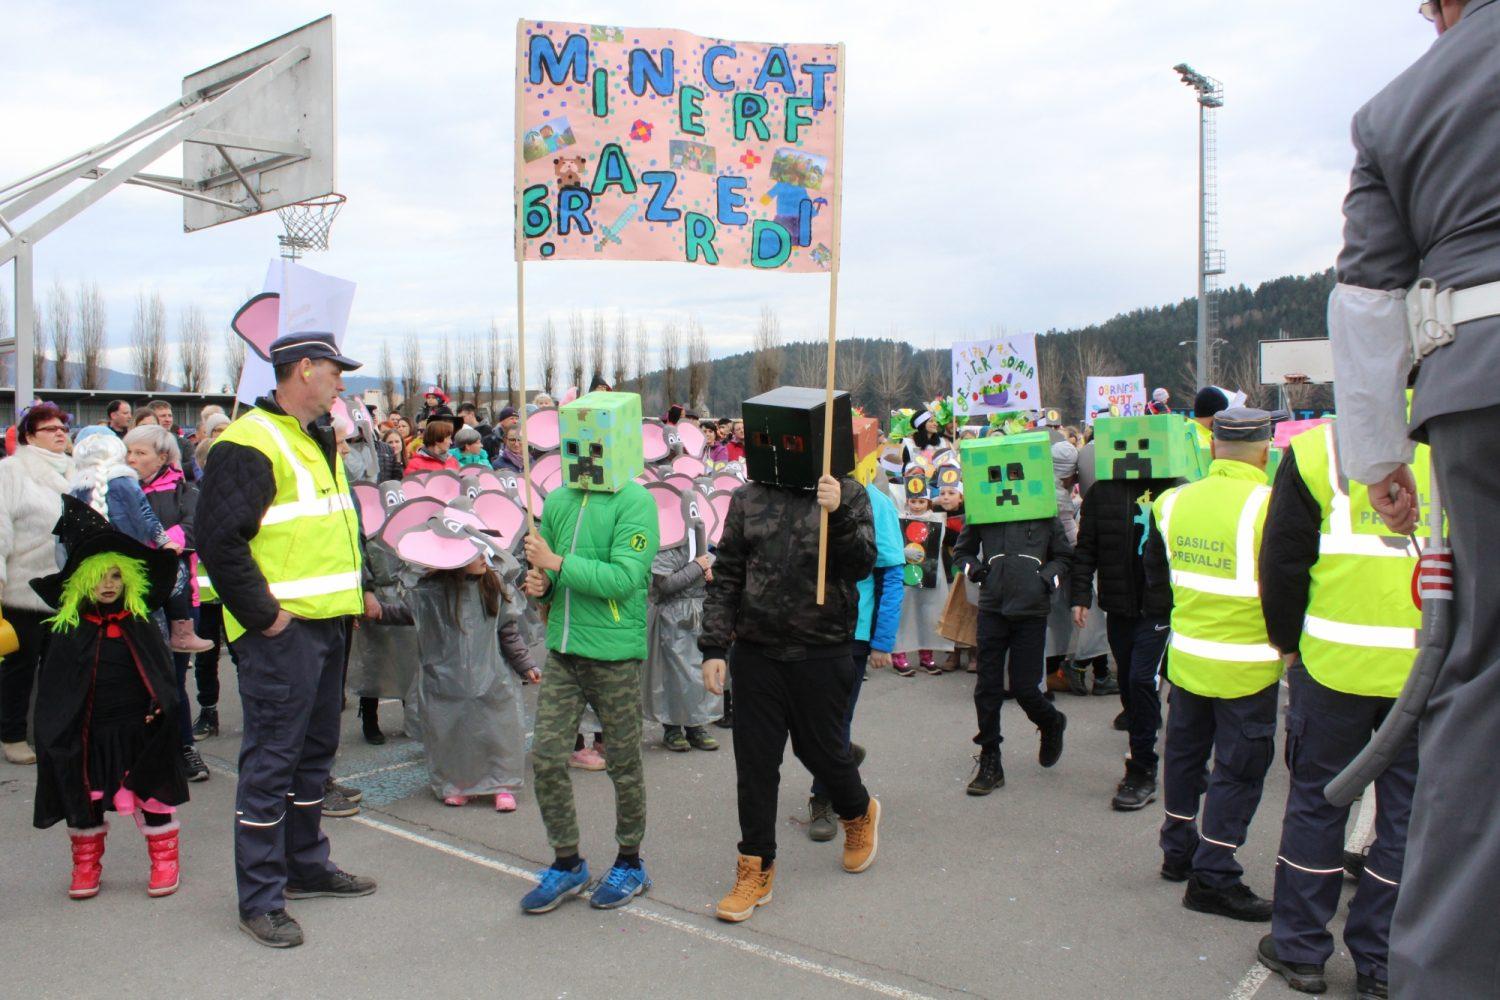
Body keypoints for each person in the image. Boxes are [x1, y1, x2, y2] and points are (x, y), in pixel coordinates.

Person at [1324, 3, 1500, 995]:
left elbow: (1366, 300)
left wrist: (1379, 455)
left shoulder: (1395, 109)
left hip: (1473, 387)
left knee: (1481, 683)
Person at [196, 333, 374, 949]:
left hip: (326, 623)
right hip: (282, 632)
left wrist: (358, 594)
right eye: (334, 370)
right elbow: (218, 540)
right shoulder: (250, 441)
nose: (341, 382)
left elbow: (332, 529)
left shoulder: (315, 436)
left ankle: (305, 866)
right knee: (272, 762)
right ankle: (261, 897)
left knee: (314, 757)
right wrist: (265, 616)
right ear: (302, 370)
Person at [1254, 421, 1424, 997]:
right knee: (1409, 818)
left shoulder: (1319, 447)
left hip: (1333, 665)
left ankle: (1301, 950)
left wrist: (1288, 646)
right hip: (1431, 670)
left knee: (1317, 804)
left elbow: (1283, 562)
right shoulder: (1466, 430)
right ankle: (1382, 960)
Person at [699, 388, 880, 924]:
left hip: (823, 648)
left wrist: (837, 513)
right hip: (757, 651)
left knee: (821, 751)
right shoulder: (748, 498)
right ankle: (755, 866)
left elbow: (862, 564)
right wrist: (715, 646)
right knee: (755, 764)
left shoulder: (847, 493)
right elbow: (727, 574)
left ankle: (857, 810)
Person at [518, 390, 659, 914]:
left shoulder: (636, 503)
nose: (583, 455)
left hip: (614, 654)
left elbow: (625, 579)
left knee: (623, 762)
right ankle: (567, 862)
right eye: (574, 444)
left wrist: (556, 564)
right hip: (564, 651)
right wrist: (541, 584)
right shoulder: (557, 501)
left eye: (594, 445)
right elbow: (552, 582)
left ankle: (630, 862)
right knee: (546, 757)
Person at [1144, 408, 1281, 922]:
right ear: (1265, 452)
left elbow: (1155, 579)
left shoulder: (1171, 502)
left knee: (1183, 756)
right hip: (1249, 665)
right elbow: (1289, 584)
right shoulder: (1272, 505)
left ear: (1213, 447)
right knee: (1238, 770)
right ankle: (1215, 874)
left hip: (1187, 657)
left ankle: (1177, 850)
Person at [31, 497, 190, 900]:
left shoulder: (139, 622)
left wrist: (159, 705)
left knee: (153, 793)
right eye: (100, 577)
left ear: (128, 579)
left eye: (116, 575)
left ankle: (165, 861)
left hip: (139, 727)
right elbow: (55, 691)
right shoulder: (68, 631)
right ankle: (86, 865)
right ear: (82, 581)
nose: (108, 584)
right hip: (89, 731)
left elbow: (161, 676)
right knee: (85, 797)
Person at [1069, 415, 1193, 811]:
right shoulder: (1102, 493)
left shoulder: (1177, 491)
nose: (1136, 454)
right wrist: (1080, 596)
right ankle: (1157, 738)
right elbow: (1086, 548)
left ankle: (1142, 769)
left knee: (1142, 679)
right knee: (1130, 683)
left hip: (1161, 606)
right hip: (1119, 604)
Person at [950, 433, 1072, 796]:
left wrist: (1046, 579)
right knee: (987, 687)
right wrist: (977, 572)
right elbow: (961, 553)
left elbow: (1064, 557)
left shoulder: (1043, 509)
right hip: (993, 608)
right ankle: (990, 758)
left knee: (1024, 688)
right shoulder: (984, 509)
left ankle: (1051, 722)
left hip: (1031, 611)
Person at [807, 429, 903, 842]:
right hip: (805, 627)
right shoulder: (801, 495)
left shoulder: (876, 503)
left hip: (853, 633)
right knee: (809, 721)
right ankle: (842, 757)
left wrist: (882, 640)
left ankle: (824, 798)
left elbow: (892, 573)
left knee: (834, 718)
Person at [395, 551, 538, 810]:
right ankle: (459, 783)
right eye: (474, 553)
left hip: (494, 678)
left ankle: (502, 785)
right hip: (449, 680)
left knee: (499, 732)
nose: (484, 558)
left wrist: (526, 664)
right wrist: (374, 611)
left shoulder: (493, 585)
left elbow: (508, 631)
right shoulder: (433, 592)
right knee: (455, 733)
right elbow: (410, 613)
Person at [0, 403, 77, 765]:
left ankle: (52, 732)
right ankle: (12, 735)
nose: (59, 433)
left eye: (63, 427)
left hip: (66, 588)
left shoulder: (75, 471)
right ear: (29, 436)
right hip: (24, 588)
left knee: (60, 668)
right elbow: (1, 528)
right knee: (20, 667)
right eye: (50, 428)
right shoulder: (11, 471)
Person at [643, 489, 720, 753]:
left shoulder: (704, 545)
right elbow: (664, 585)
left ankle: (697, 725)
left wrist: (711, 574)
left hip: (700, 617)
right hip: (672, 619)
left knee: (698, 673)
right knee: (673, 675)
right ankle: (672, 728)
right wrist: (696, 566)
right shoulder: (665, 546)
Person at [144, 400, 199, 482]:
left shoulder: (183, 443)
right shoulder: (142, 442)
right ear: (151, 418)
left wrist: (168, 467)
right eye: (163, 416)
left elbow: (194, 467)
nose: (168, 420)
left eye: (170, 416)